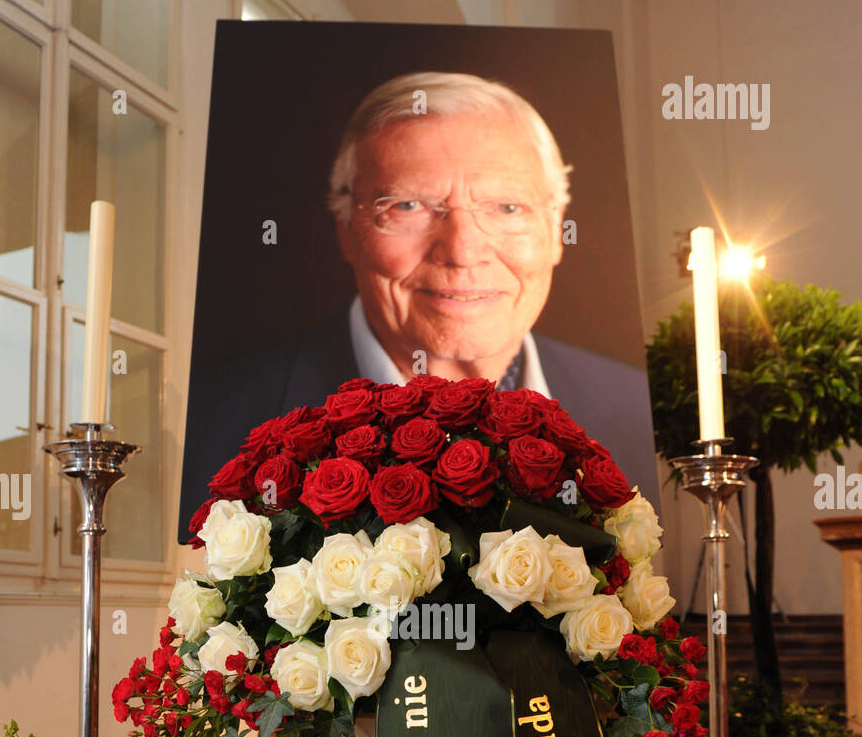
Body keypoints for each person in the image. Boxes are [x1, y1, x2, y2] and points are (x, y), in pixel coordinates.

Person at [179, 71, 659, 538]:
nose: (462, 251)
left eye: (507, 208)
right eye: (408, 206)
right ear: (346, 229)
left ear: (557, 230)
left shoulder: (635, 413)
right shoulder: (214, 423)